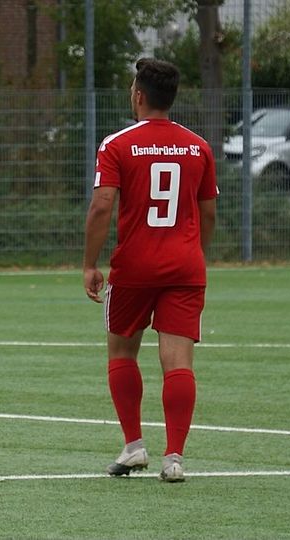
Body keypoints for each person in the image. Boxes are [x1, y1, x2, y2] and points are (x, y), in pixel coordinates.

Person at [83, 58, 217, 483]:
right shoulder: (198, 146)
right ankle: (174, 458)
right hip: (185, 267)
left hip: (135, 267)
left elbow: (102, 205)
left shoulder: (117, 144)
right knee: (178, 363)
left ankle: (134, 446)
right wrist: (195, 255)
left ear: (138, 95)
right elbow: (209, 212)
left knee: (122, 352)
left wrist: (89, 263)